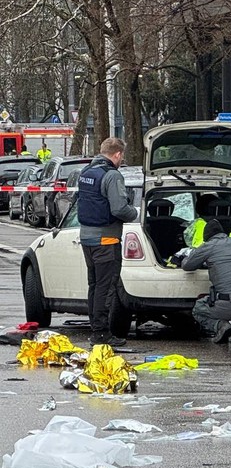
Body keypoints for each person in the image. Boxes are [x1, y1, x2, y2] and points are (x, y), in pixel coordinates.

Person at [77, 137, 139, 347]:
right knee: (106, 286)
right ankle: (102, 334)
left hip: (87, 238)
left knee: (94, 285)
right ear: (118, 154)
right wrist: (136, 213)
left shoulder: (87, 173)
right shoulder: (112, 176)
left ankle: (95, 329)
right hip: (107, 239)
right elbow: (120, 209)